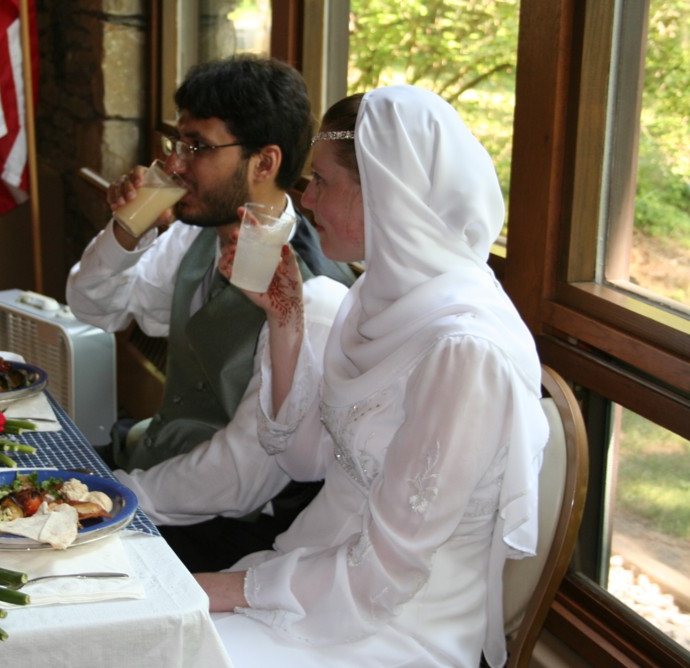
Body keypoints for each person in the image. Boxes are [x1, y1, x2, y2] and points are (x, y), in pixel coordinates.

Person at [198, 86, 549, 667]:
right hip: (309, 579)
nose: (306, 200)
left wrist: (210, 589)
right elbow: (306, 461)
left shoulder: (465, 350)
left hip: (395, 626)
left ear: (385, 192)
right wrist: (286, 323)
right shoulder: (373, 296)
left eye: (323, 181)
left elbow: (383, 575)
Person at [66, 55, 354, 572]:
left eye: (197, 146)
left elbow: (241, 477)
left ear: (264, 163)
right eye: (177, 143)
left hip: (227, 534)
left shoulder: (316, 294)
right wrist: (127, 231)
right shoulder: (192, 236)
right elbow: (95, 307)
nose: (175, 164)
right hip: (156, 471)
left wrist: (112, 495)